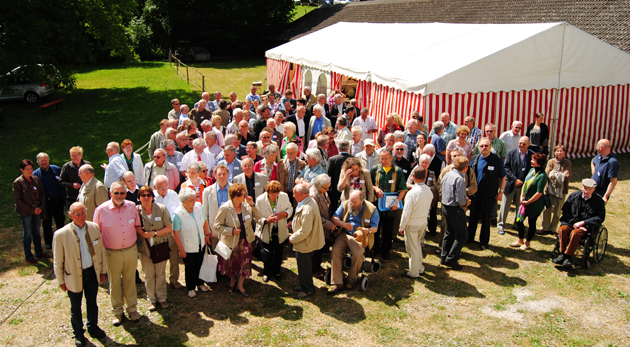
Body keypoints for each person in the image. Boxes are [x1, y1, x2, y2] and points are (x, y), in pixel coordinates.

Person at [53, 202, 107, 346]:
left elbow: (101, 252)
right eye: (77, 214)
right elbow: (58, 261)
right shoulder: (61, 235)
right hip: (73, 275)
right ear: (70, 216)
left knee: (92, 302)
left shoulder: (94, 228)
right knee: (75, 307)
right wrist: (61, 281)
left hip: (91, 272)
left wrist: (102, 271)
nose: (81, 216)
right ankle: (78, 333)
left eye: (83, 213)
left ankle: (93, 327)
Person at [93, 181, 142, 325]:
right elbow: (96, 233)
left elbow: (137, 225)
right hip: (111, 253)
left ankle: (132, 309)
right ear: (110, 193)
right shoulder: (101, 210)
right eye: (116, 193)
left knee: (130, 281)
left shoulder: (132, 207)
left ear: (126, 194)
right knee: (114, 283)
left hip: (130, 250)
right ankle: (117, 311)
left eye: (122, 193)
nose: (119, 196)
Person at [213, 183, 261, 297]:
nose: (245, 197)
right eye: (243, 195)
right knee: (232, 264)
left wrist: (252, 204)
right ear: (235, 196)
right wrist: (231, 231)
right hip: (232, 242)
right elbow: (217, 226)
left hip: (246, 241)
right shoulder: (225, 208)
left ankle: (240, 285)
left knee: (244, 264)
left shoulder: (247, 206)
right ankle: (232, 281)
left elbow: (259, 217)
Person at [329, 190, 379, 292]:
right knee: (335, 251)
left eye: (354, 202)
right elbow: (334, 218)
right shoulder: (346, 204)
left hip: (359, 236)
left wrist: (367, 230)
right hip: (344, 234)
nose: (352, 204)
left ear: (362, 201)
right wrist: (343, 224)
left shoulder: (372, 209)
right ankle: (337, 282)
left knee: (358, 253)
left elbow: (375, 228)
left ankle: (352, 279)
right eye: (351, 201)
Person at [552, 179, 606, 268]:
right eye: (585, 188)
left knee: (575, 233)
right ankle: (562, 253)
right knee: (562, 230)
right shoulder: (574, 196)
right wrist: (574, 223)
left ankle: (568, 256)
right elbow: (566, 211)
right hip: (571, 223)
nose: (587, 191)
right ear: (581, 187)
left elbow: (600, 217)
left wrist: (583, 223)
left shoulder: (598, 201)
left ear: (594, 189)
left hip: (586, 227)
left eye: (590, 189)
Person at [136, 186, 173, 311]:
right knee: (149, 275)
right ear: (139, 197)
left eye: (148, 195)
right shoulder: (136, 211)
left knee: (160, 274)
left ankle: (162, 298)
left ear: (152, 197)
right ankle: (152, 300)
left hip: (160, 246)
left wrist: (154, 233)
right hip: (145, 249)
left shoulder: (161, 209)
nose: (146, 198)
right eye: (143, 195)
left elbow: (169, 228)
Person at [172, 188, 211, 298]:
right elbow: (175, 234)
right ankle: (191, 288)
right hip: (188, 246)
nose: (194, 202)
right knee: (190, 267)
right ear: (183, 202)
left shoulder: (198, 207)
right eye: (191, 200)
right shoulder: (178, 214)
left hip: (201, 243)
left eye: (195, 199)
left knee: (200, 264)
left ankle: (200, 283)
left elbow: (204, 221)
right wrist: (181, 249)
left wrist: (207, 235)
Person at [468, 138, 506, 250]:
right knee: (473, 217)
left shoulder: (496, 160)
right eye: (481, 146)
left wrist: (501, 192)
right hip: (475, 193)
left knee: (485, 218)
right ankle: (470, 237)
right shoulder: (474, 159)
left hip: (489, 194)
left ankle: (484, 241)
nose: (484, 148)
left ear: (490, 147)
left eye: (486, 146)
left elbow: (503, 177)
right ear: (478, 147)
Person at [289, 183, 325, 299]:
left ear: (300, 194)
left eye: (294, 193)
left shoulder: (307, 208)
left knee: (304, 267)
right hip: (307, 241)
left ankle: (308, 289)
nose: (293, 196)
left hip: (305, 243)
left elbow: (305, 231)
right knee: (304, 266)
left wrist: (291, 238)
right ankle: (305, 284)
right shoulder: (306, 202)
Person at [371, 149, 408, 260]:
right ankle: (375, 249)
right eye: (381, 158)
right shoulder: (375, 169)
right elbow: (369, 184)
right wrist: (376, 189)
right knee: (375, 227)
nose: (383, 161)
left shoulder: (398, 171)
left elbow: (403, 189)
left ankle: (386, 250)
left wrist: (397, 202)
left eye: (386, 158)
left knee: (388, 228)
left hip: (391, 206)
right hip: (377, 205)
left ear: (391, 158)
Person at [13, 159, 51, 263]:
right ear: (22, 170)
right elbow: (18, 200)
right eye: (27, 169)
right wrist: (32, 210)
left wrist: (41, 208)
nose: (30, 171)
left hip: (37, 211)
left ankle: (39, 252)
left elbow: (42, 193)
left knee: (37, 232)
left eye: (31, 168)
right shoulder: (18, 183)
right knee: (28, 233)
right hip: (27, 212)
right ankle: (29, 255)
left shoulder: (35, 179)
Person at [256, 181, 293, 282]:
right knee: (267, 253)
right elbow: (256, 217)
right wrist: (266, 220)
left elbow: (290, 208)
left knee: (279, 253)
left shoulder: (284, 196)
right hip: (267, 232)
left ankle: (277, 271)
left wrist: (285, 214)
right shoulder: (260, 200)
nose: (275, 196)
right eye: (273, 195)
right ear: (268, 192)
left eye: (277, 194)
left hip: (280, 231)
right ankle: (267, 272)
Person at [399, 167, 434, 276]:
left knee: (412, 248)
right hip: (423, 222)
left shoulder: (412, 193)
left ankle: (413, 272)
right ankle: (419, 267)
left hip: (412, 224)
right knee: (417, 245)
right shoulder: (429, 190)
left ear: (413, 177)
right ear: (425, 176)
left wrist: (401, 227)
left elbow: (406, 212)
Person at [510, 153, 548, 251]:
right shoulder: (531, 170)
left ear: (539, 162)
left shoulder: (542, 176)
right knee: (519, 220)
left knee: (532, 223)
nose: (531, 161)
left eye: (533, 160)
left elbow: (539, 193)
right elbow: (525, 184)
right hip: (524, 201)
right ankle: (520, 240)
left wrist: (529, 201)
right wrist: (522, 196)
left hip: (534, 203)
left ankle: (527, 243)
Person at [152, 175, 183, 288]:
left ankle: (174, 279)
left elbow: (180, 210)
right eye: (161, 188)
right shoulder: (152, 198)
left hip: (172, 230)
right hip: (158, 231)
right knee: (160, 257)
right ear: (155, 187)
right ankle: (159, 280)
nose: (164, 189)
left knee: (174, 256)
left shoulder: (173, 194)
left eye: (166, 186)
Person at [440, 157, 471, 270]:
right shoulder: (460, 179)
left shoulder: (448, 174)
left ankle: (444, 256)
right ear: (465, 168)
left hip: (445, 207)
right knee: (463, 235)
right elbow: (460, 200)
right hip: (455, 209)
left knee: (449, 232)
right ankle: (451, 258)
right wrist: (467, 202)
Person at [498, 137, 533, 235]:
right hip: (511, 184)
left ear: (528, 144)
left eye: (524, 144)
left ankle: (517, 224)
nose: (521, 145)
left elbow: (532, 170)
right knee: (505, 206)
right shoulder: (511, 153)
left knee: (519, 206)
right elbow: (506, 168)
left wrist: (523, 181)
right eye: (520, 143)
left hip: (523, 186)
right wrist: (515, 179)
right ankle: (501, 225)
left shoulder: (531, 155)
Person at [33, 152, 66, 249]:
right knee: (47, 223)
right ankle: (48, 242)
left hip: (58, 201)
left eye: (45, 160)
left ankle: (62, 240)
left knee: (60, 221)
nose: (44, 162)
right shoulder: (35, 174)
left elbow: (62, 183)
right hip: (45, 203)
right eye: (41, 161)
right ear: (38, 162)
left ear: (48, 160)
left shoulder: (56, 169)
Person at [540, 145, 571, 234]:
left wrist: (554, 175)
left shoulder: (567, 163)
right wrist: (560, 175)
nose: (559, 153)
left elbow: (567, 175)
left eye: (561, 151)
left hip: (561, 190)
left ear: (564, 152)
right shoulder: (551, 162)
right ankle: (545, 227)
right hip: (549, 189)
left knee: (558, 210)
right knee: (547, 208)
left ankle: (553, 228)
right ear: (554, 152)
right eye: (558, 151)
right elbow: (547, 174)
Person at [309, 175, 335, 278]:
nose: (328, 189)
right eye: (326, 188)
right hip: (317, 227)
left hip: (323, 226)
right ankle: (313, 270)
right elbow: (315, 216)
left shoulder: (322, 191)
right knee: (316, 250)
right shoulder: (313, 195)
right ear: (318, 185)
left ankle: (316, 267)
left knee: (319, 249)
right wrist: (330, 225)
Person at [327, 140, 353, 215]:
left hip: (334, 190)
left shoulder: (332, 159)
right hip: (349, 189)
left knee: (334, 210)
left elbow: (328, 175)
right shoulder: (353, 159)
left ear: (338, 148)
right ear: (348, 148)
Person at [591, 139, 618, 203]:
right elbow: (593, 161)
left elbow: (613, 182)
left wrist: (605, 196)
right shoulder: (598, 157)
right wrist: (594, 173)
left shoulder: (612, 162)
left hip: (600, 194)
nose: (596, 148)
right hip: (591, 190)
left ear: (601, 147)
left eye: (597, 146)